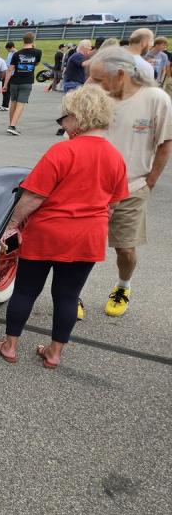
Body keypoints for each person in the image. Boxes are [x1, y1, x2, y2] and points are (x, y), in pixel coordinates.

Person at [0, 85, 127, 368]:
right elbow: (113, 205)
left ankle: (10, 345)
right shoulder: (116, 157)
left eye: (64, 118)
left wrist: (12, 226)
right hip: (87, 237)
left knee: (26, 290)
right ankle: (54, 353)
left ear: (79, 117)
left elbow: (33, 196)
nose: (63, 124)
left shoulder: (62, 151)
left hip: (47, 233)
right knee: (68, 296)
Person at [86, 46, 172, 317]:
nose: (94, 84)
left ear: (121, 74)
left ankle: (123, 286)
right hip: (91, 187)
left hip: (132, 187)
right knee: (82, 246)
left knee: (125, 248)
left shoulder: (155, 98)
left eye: (99, 78)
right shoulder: (99, 97)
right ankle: (72, 292)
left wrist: (150, 181)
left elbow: (165, 143)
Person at [2, 32, 42, 136]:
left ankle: (11, 124)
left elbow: (10, 70)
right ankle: (12, 126)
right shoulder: (38, 52)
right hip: (27, 81)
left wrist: (5, 85)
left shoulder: (16, 54)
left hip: (14, 81)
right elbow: (36, 63)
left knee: (13, 103)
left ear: (23, 40)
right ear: (33, 40)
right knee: (20, 104)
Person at [0, 42, 16, 111]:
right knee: (5, 90)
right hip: (7, 73)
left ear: (12, 47)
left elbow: (12, 65)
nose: (8, 51)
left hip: (11, 74)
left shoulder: (16, 54)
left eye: (8, 49)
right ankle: (4, 105)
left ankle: (5, 106)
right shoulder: (10, 53)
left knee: (6, 90)